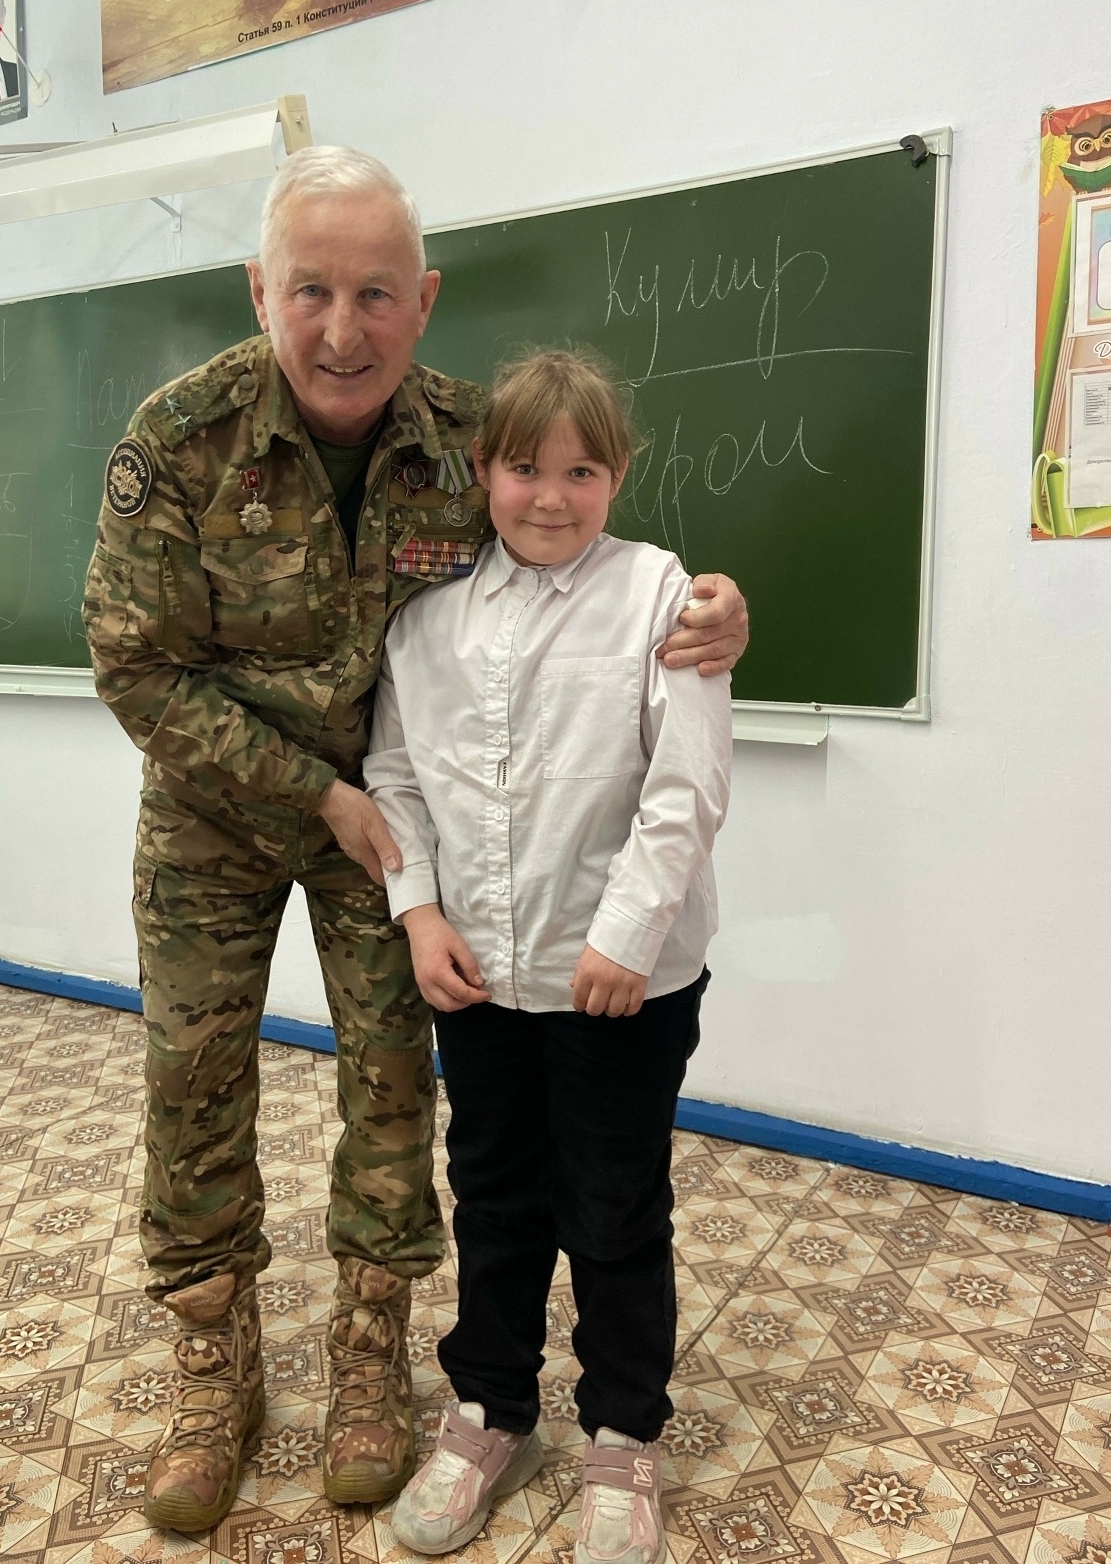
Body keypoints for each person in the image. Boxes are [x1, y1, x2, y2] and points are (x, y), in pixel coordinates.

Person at [81, 148, 749, 1535]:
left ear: (424, 299)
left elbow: (582, 571)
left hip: (401, 834)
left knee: (397, 1091)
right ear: (258, 288)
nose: (344, 327)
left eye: (376, 292)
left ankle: (377, 1357)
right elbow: (134, 666)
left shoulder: (469, 439)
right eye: (310, 290)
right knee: (193, 1084)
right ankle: (213, 1372)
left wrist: (718, 611)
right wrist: (317, 791)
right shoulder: (180, 436)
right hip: (223, 814)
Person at [365, 348, 732, 1564]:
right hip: (477, 975)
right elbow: (394, 771)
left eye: (581, 471)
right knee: (494, 1194)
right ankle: (489, 1412)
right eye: (525, 467)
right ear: (484, 469)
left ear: (616, 476)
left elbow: (684, 784)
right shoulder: (426, 614)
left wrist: (625, 934)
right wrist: (418, 911)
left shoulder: (661, 595)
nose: (550, 496)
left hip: (620, 984)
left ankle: (622, 1431)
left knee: (614, 1206)